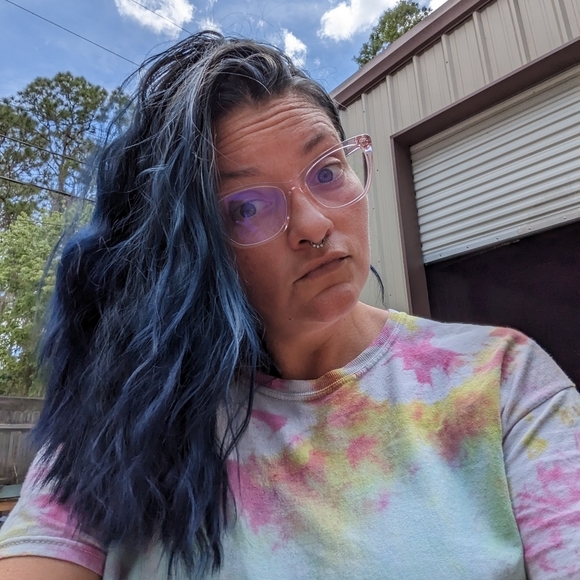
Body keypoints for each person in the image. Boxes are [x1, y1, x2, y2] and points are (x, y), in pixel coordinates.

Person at [0, 31, 578, 580]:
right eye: (246, 208)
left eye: (327, 171)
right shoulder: (124, 418)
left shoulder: (502, 383)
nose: (314, 224)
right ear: (191, 248)